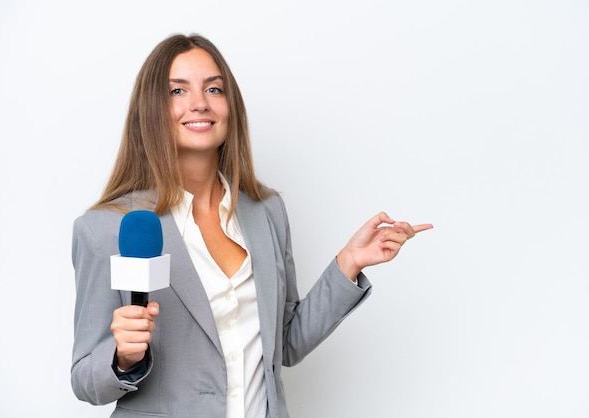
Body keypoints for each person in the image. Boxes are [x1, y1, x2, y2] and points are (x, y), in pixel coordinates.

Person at [71, 33, 433, 418]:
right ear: (150, 109)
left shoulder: (266, 211)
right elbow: (84, 380)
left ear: (230, 106)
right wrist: (123, 357)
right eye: (177, 91)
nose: (199, 103)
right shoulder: (105, 228)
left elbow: (286, 345)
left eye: (214, 88)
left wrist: (348, 263)